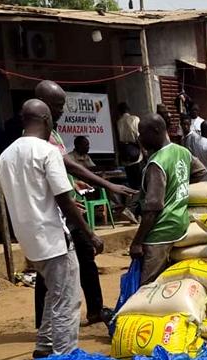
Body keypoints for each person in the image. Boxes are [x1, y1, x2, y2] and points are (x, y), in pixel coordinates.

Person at [0, 99, 101, 357]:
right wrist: (90, 234)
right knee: (67, 300)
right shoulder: (47, 151)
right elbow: (64, 200)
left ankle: (44, 347)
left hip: (28, 238)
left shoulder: (6, 155)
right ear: (47, 120)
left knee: (53, 294)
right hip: (52, 236)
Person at [35, 81, 133, 325]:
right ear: (44, 107)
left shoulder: (53, 133)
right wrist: (107, 185)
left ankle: (95, 309)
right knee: (50, 270)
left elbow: (66, 167)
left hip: (68, 206)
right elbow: (67, 166)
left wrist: (76, 187)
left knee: (85, 257)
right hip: (57, 211)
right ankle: (46, 322)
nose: (61, 111)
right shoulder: (37, 141)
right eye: (58, 106)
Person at [130, 113, 193, 285]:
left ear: (156, 131)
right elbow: (199, 172)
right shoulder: (183, 152)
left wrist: (137, 242)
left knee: (148, 286)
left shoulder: (157, 163)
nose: (140, 138)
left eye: (142, 134)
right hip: (181, 224)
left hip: (160, 232)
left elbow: (153, 207)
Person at [116, 102, 143, 189]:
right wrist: (143, 150)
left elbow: (118, 139)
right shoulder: (135, 119)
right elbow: (138, 136)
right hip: (136, 153)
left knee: (131, 182)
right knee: (140, 181)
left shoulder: (119, 122)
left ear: (119, 112)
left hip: (125, 153)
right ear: (128, 109)